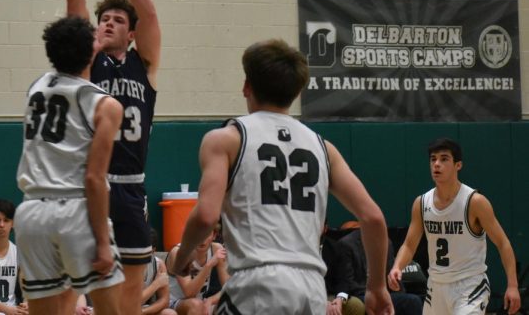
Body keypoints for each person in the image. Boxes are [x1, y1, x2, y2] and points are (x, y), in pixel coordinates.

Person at [169, 39, 394, 315]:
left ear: (246, 86)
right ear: (297, 92)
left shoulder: (227, 139)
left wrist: (181, 259)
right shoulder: (324, 148)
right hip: (312, 288)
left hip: (258, 283)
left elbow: (205, 216)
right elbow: (373, 218)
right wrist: (376, 287)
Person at [46, 0, 161, 315]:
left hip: (129, 188)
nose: (108, 23)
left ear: (132, 34)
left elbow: (148, 12)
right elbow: (76, 3)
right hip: (85, 185)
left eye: (117, 20)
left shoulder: (144, 65)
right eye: (104, 19)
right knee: (74, 292)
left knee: (127, 297)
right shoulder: (86, 63)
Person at [14, 16, 125, 315]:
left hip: (31, 213)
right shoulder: (105, 105)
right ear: (90, 51)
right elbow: (94, 179)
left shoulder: (36, 87)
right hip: (75, 211)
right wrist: (103, 242)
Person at [388, 138, 522, 315]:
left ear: (458, 165)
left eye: (444, 159)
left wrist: (512, 285)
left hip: (469, 285)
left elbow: (503, 243)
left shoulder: (475, 202)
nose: (437, 164)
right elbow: (409, 244)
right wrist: (397, 266)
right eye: (433, 159)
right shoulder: (421, 203)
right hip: (436, 286)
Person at [334, 224, 421, 315]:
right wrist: (371, 293)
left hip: (383, 294)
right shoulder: (346, 244)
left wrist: (396, 286)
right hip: (360, 294)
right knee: (362, 304)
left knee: (413, 301)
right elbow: (347, 282)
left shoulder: (386, 243)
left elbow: (392, 277)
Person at [165, 228, 228, 315]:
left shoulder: (216, 249)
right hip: (172, 304)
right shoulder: (180, 253)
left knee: (229, 303)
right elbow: (189, 293)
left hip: (200, 302)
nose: (201, 238)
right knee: (196, 305)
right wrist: (208, 266)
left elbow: (229, 288)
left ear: (214, 236)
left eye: (206, 234)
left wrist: (211, 300)